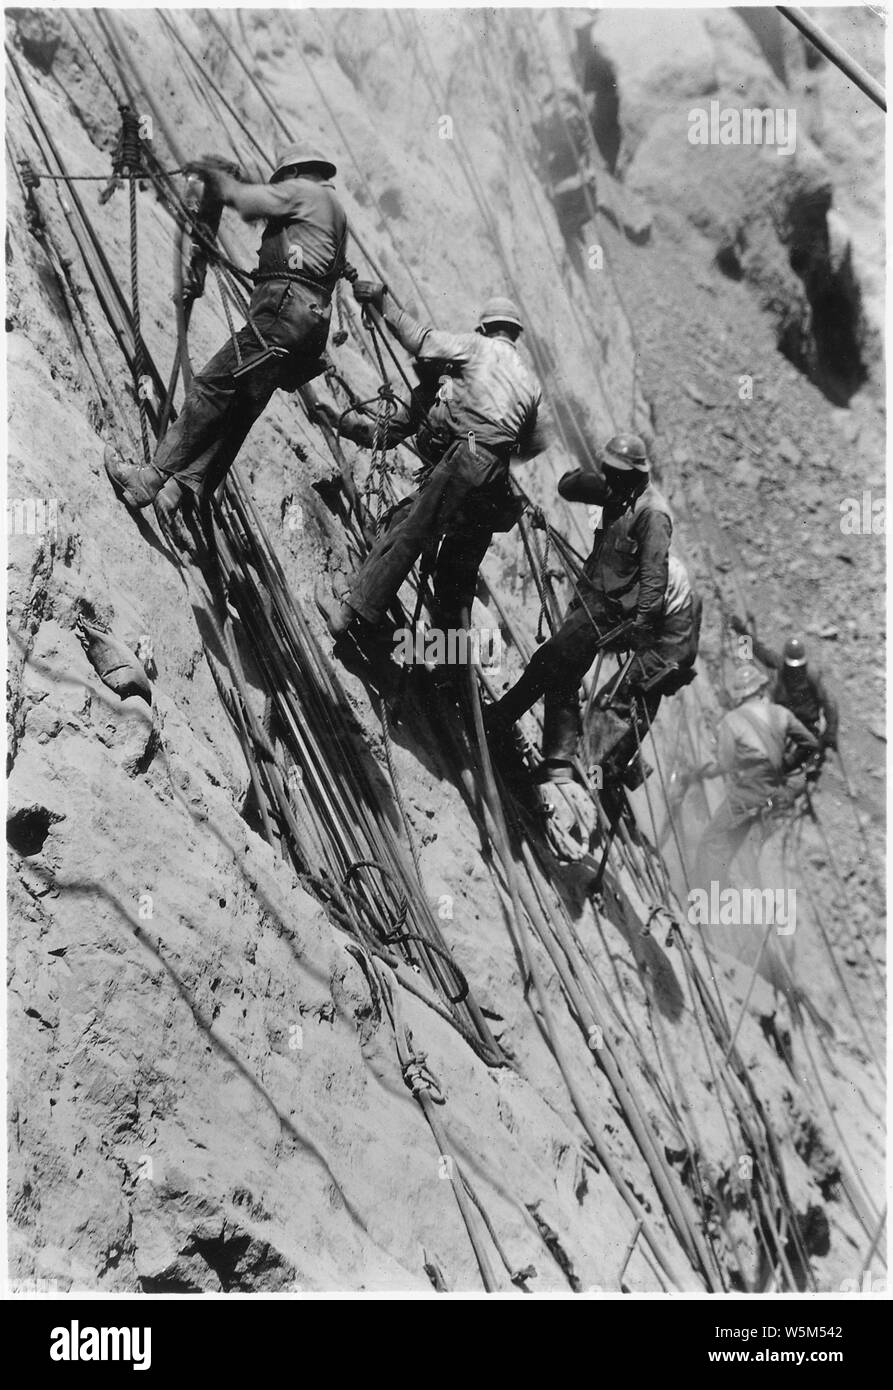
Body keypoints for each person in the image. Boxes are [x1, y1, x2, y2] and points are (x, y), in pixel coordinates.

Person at [104, 147, 349, 524]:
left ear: (295, 172)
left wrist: (213, 176)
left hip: (282, 312)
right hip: (308, 327)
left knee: (212, 387)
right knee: (241, 408)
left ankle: (149, 479)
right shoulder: (334, 210)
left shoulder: (303, 191)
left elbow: (241, 199)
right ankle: (178, 491)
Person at [317, 291, 545, 638]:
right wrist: (343, 423)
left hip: (463, 467)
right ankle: (447, 661)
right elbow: (534, 441)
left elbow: (419, 339)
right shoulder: (527, 383)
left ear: (484, 329)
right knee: (446, 567)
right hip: (490, 483)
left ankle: (351, 616)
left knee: (409, 534)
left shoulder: (474, 352)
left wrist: (381, 301)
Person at [485, 433, 700, 783]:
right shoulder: (618, 493)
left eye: (616, 472)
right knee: (564, 672)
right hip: (591, 599)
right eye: (607, 471)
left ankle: (499, 719)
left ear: (635, 473)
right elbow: (567, 487)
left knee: (549, 660)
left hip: (610, 613)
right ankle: (558, 760)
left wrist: (638, 624)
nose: (611, 477)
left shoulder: (652, 513)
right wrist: (601, 483)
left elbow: (654, 576)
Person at [688, 663, 819, 889]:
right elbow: (811, 743)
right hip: (774, 791)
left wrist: (704, 772)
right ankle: (719, 893)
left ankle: (704, 897)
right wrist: (786, 764)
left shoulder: (732, 720)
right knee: (733, 844)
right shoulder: (782, 713)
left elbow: (726, 764)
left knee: (711, 843)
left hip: (747, 791)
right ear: (761, 689)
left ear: (740, 695)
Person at [730, 618, 839, 756]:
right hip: (783, 720)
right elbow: (760, 651)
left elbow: (829, 702)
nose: (795, 670)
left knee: (803, 752)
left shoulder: (811, 674)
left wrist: (830, 733)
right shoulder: (781, 664)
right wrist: (743, 632)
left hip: (807, 723)